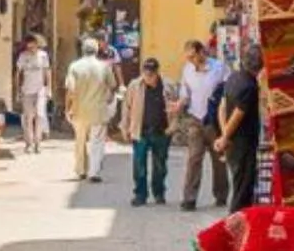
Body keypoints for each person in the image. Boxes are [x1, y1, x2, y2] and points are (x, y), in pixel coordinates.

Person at [172, 38, 229, 212]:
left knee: (218, 159)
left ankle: (221, 195)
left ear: (201, 52)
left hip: (214, 121)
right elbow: (185, 93)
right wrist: (179, 104)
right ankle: (189, 199)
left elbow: (228, 92)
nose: (190, 61)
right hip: (195, 119)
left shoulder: (219, 68)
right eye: (188, 58)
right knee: (193, 158)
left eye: (192, 57)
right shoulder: (187, 70)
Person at [215, 44, 263, 213]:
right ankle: (234, 226)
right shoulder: (250, 86)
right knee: (242, 191)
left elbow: (222, 106)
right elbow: (238, 113)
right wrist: (225, 137)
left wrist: (224, 134)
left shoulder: (233, 78)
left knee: (238, 184)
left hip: (233, 143)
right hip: (243, 144)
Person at [64, 36, 118, 183]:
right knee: (97, 141)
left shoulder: (74, 66)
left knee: (80, 140)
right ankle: (94, 172)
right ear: (97, 50)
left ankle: (81, 170)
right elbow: (113, 86)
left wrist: (67, 107)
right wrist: (109, 99)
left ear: (82, 50)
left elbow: (70, 90)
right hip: (98, 109)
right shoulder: (104, 66)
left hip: (79, 109)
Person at [123, 56, 171, 205]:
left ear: (157, 72)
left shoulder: (167, 85)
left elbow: (175, 108)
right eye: (146, 73)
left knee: (160, 165)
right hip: (140, 131)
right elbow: (126, 107)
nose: (148, 77)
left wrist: (173, 127)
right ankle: (140, 194)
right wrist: (125, 127)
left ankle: (159, 192)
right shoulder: (134, 85)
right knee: (139, 165)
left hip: (161, 131)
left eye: (151, 74)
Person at [16, 34, 51, 154]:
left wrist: (48, 88)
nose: (30, 48)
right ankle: (28, 143)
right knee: (28, 117)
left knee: (40, 116)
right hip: (27, 90)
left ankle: (38, 143)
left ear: (37, 44)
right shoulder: (23, 56)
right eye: (28, 46)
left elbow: (47, 72)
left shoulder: (43, 56)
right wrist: (18, 90)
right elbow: (18, 73)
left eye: (33, 46)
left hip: (40, 89)